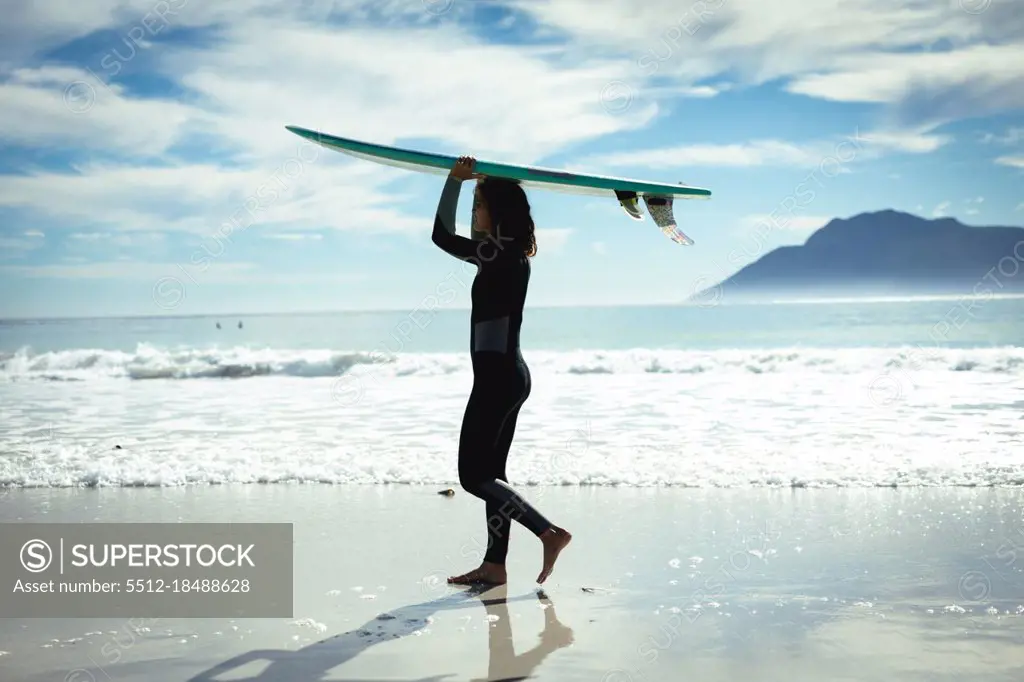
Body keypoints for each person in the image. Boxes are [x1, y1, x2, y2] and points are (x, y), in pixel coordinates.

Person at [432, 156, 571, 586]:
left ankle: (548, 531)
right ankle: (494, 565)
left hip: (496, 380)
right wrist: (479, 185)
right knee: (494, 477)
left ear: (497, 211)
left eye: (479, 205)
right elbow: (472, 235)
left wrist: (454, 183)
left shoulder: (495, 255)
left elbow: (441, 236)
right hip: (510, 375)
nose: (475, 214)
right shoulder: (505, 253)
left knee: (472, 477)